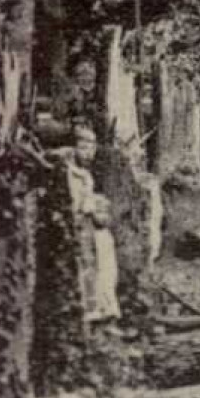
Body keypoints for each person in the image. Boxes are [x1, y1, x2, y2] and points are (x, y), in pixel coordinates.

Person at [67, 126, 121, 326]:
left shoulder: (86, 176)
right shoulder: (70, 174)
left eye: (91, 148)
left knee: (105, 262)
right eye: (83, 148)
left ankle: (106, 312)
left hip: (92, 229)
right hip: (79, 228)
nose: (88, 153)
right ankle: (90, 315)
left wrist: (98, 207)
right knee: (86, 270)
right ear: (73, 148)